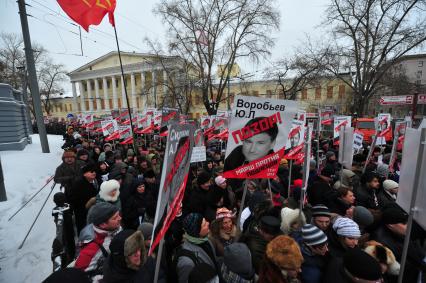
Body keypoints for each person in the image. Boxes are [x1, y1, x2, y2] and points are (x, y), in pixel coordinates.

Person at [75, 202, 122, 279]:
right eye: (115, 217)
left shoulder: (113, 228)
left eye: (119, 215)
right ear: (103, 224)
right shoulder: (92, 247)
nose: (120, 218)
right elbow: (80, 276)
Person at [176, 213, 218, 283]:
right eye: (204, 225)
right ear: (197, 232)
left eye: (206, 221)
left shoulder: (206, 240)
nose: (208, 223)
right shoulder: (187, 262)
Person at [69, 163, 99, 234]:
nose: (94, 173)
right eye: (91, 172)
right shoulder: (78, 183)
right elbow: (73, 198)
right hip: (82, 211)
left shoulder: (95, 181)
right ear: (85, 174)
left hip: (92, 210)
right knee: (83, 228)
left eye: (95, 171)